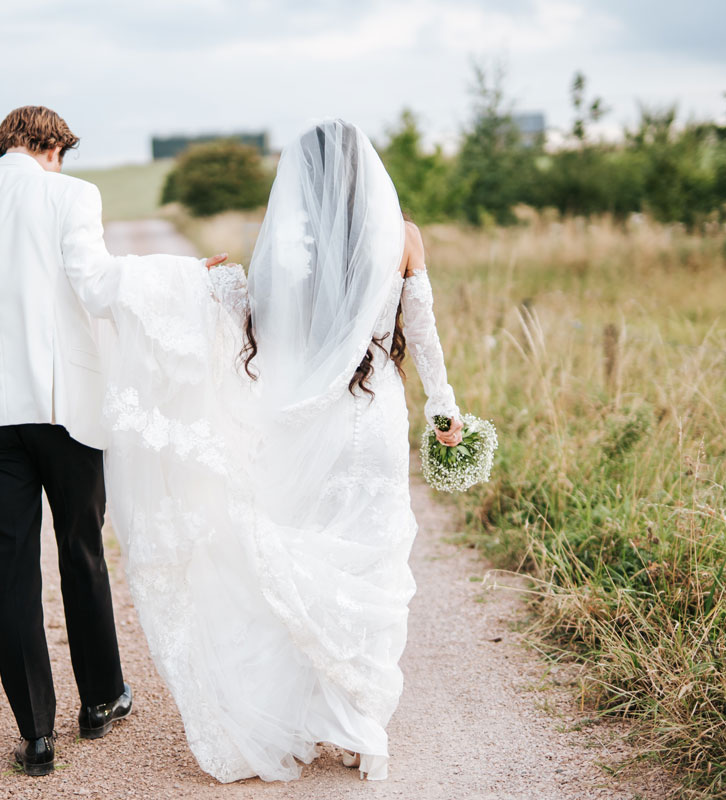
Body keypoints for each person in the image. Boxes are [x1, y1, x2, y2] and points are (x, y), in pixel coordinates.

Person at [101, 118, 463, 782]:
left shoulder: (297, 248)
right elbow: (424, 330)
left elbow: (262, 324)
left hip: (311, 426)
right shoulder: (405, 238)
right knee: (372, 566)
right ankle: (360, 726)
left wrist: (217, 288)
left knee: (311, 557)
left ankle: (319, 712)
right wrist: (445, 408)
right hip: (375, 415)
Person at [0, 105, 223, 776]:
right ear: (52, 146)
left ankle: (36, 734)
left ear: (5, 144)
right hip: (65, 410)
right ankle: (102, 699)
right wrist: (184, 276)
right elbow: (100, 285)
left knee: (11, 566)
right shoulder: (72, 194)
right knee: (81, 548)